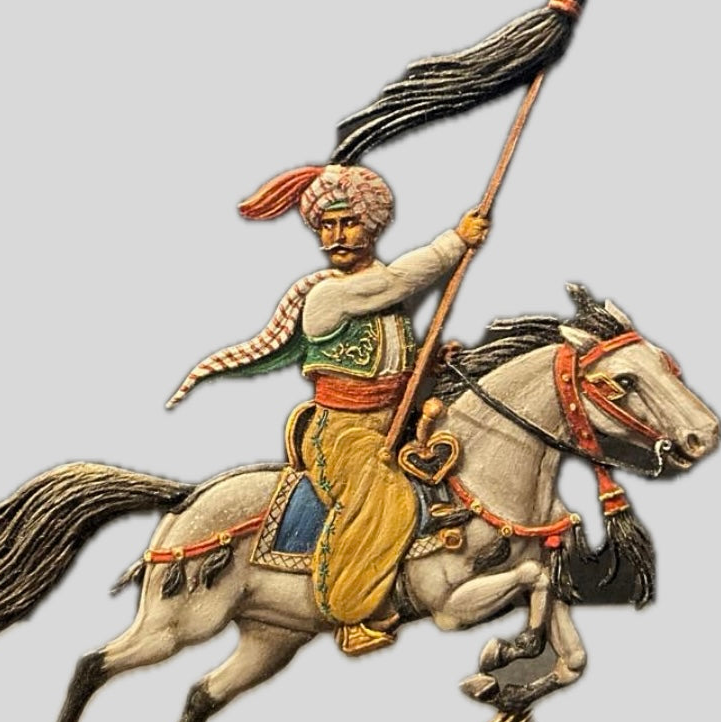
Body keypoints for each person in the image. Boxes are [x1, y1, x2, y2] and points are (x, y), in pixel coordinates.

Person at [166, 163, 487, 654]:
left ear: (371, 226)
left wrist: (429, 364)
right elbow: (398, 281)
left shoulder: (382, 298)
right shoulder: (329, 296)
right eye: (326, 225)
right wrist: (455, 242)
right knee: (387, 498)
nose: (335, 236)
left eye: (349, 223)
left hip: (392, 425)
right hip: (341, 432)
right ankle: (351, 611)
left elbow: (389, 367)